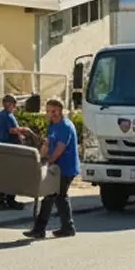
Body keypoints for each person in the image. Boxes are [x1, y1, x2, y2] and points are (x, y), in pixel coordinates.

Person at [25, 98, 79, 239]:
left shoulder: (65, 126)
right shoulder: (53, 125)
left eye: (54, 111)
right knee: (60, 197)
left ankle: (39, 229)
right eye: (48, 111)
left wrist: (47, 160)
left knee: (50, 196)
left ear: (60, 110)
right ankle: (68, 227)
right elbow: (48, 144)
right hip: (56, 167)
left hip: (66, 168)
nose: (51, 114)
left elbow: (59, 149)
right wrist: (39, 158)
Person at [0, 94, 31, 211]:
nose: (15, 106)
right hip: (8, 148)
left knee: (10, 175)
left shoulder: (3, 115)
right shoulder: (7, 116)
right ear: (8, 104)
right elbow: (11, 130)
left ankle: (9, 199)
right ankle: (2, 200)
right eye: (13, 104)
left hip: (5, 147)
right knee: (9, 175)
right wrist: (24, 130)